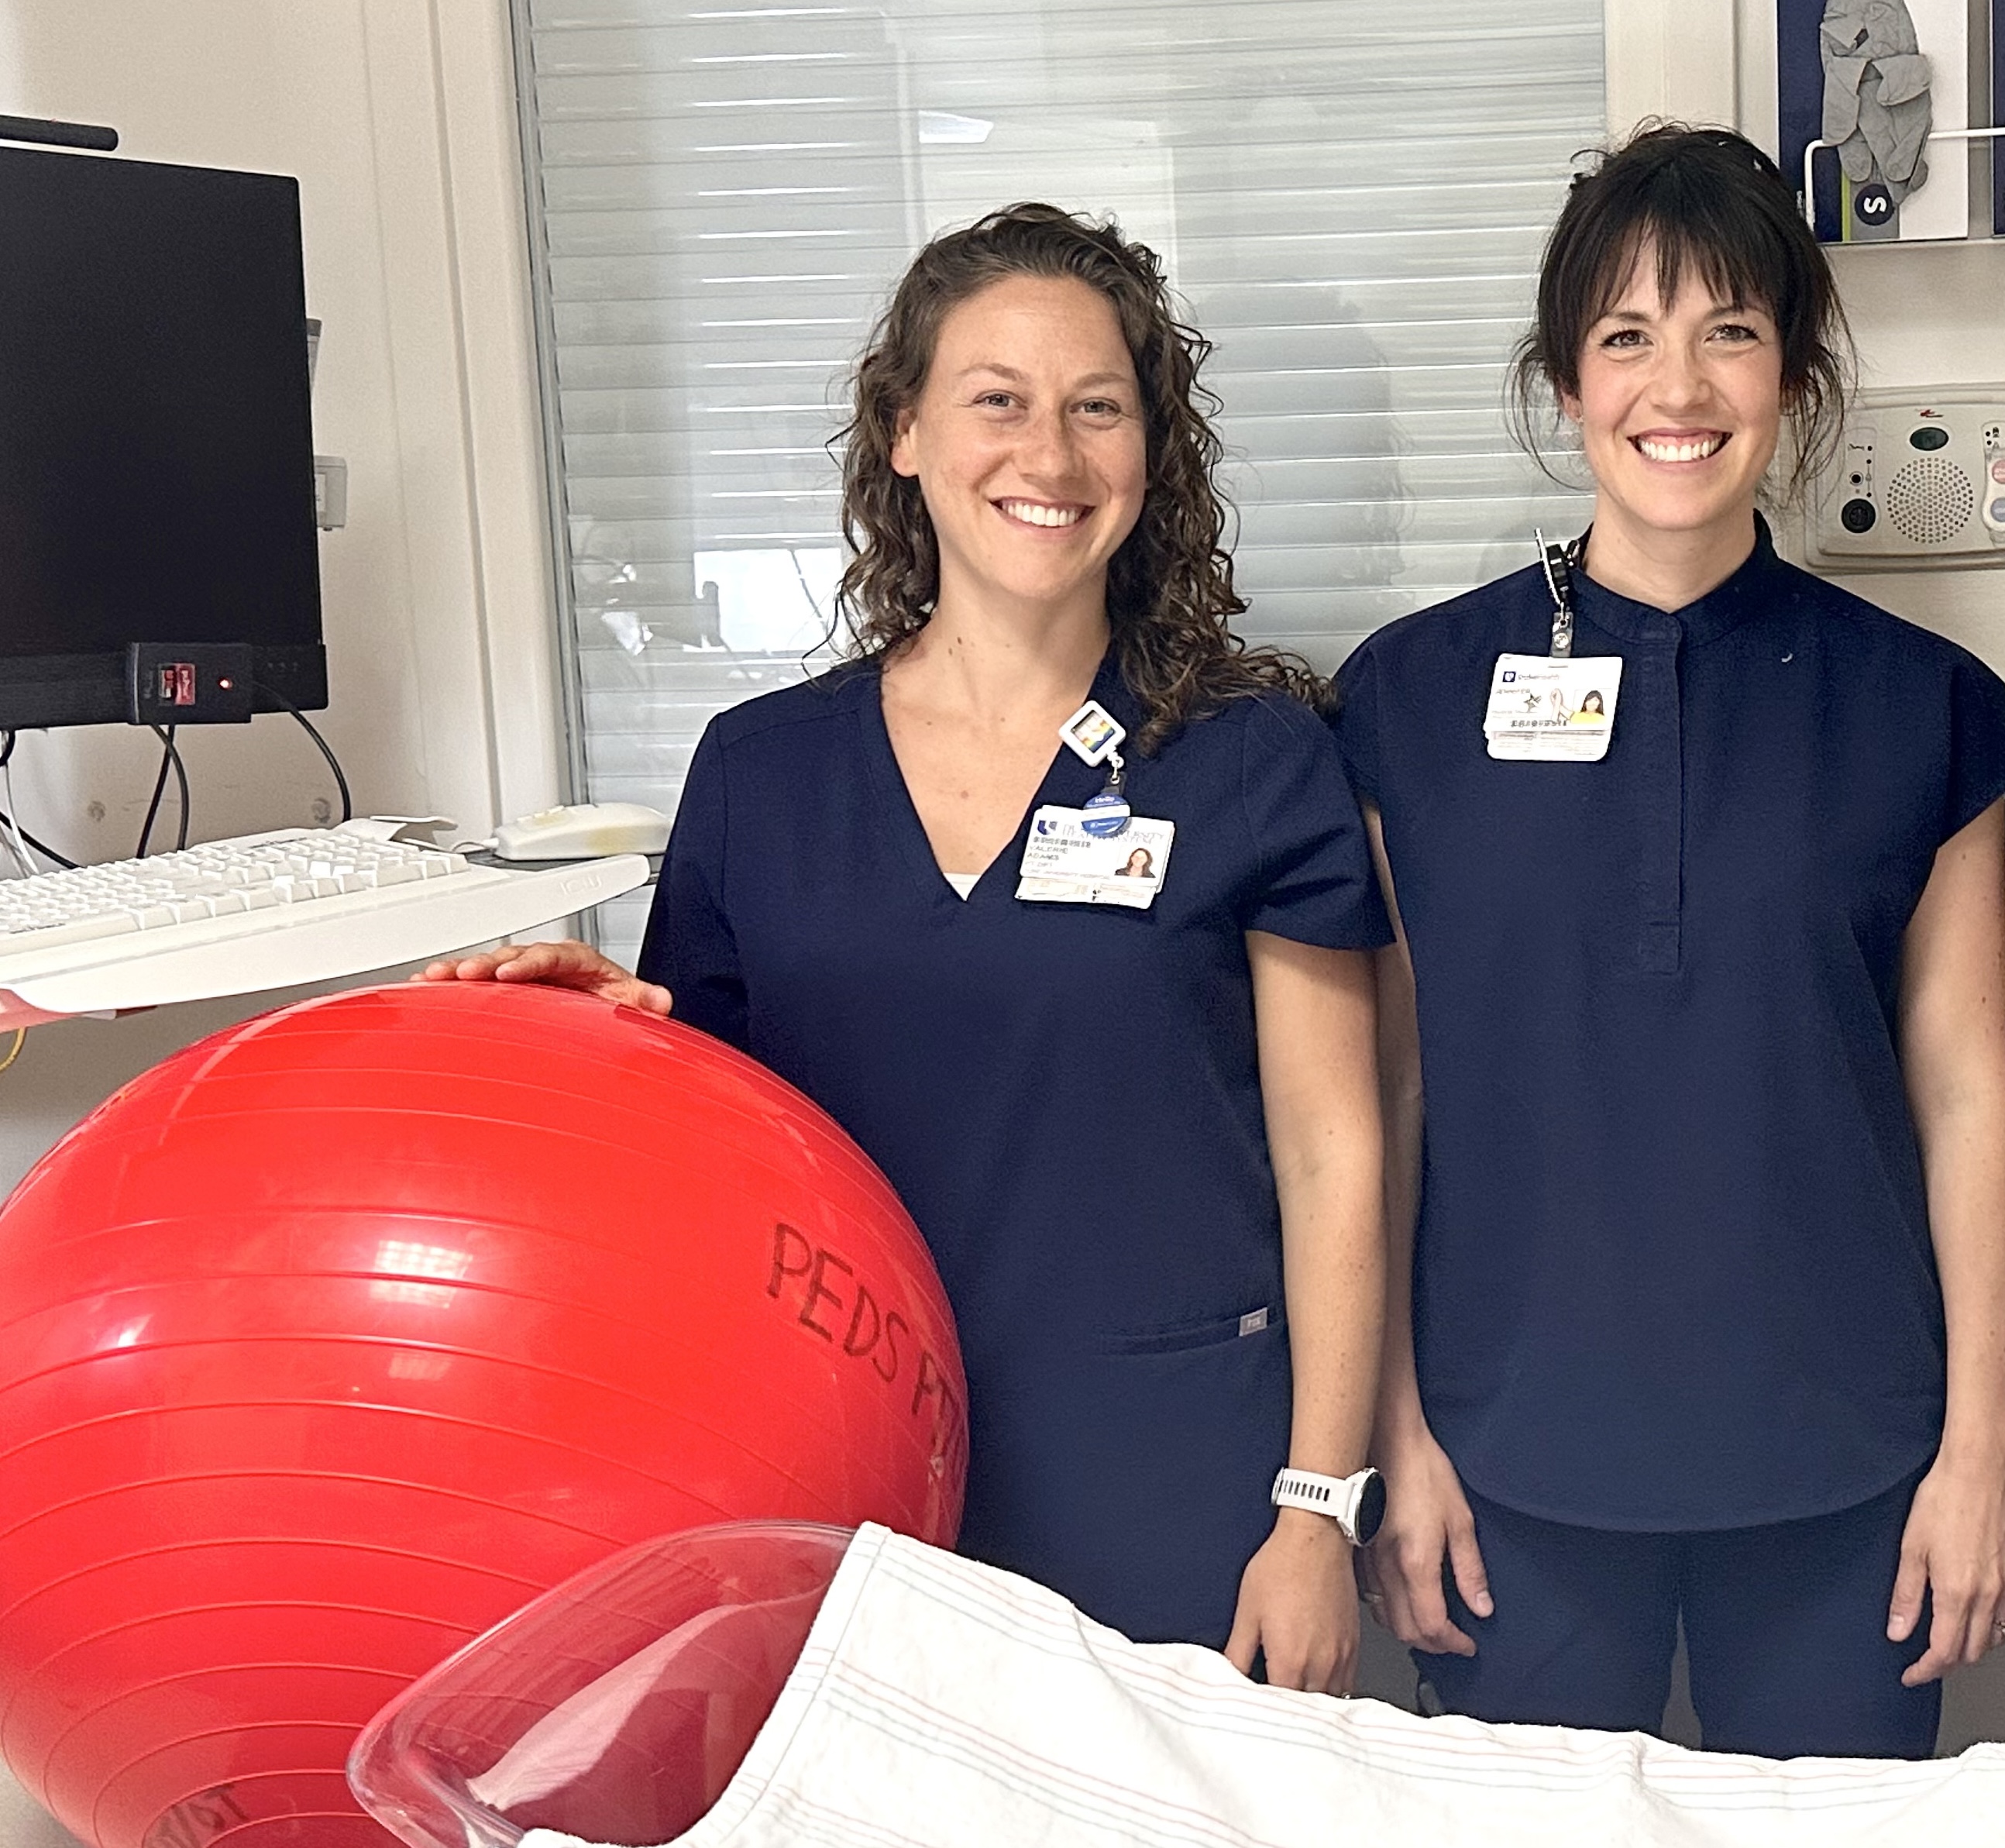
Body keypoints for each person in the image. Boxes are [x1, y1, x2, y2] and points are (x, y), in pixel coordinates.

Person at [424, 205, 1391, 1691]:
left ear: (1152, 450)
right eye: (996, 401)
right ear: (905, 435)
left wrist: (1317, 1510)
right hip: (841, 1469)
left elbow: (1335, 1151)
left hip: (1176, 1470)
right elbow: (716, 1128)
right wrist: (595, 1041)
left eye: (1097, 408)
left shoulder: (1250, 760)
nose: (1049, 459)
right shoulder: (762, 773)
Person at [1333, 124, 2005, 1759]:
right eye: (1627, 336)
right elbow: (1379, 1100)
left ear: (1793, 374)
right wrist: (1394, 1434)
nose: (1681, 384)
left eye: (1731, 330)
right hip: (1506, 1462)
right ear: (1565, 377)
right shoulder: (1410, 701)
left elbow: (1964, 1097)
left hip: (1848, 1464)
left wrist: (1982, 1443)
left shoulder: (1915, 708)